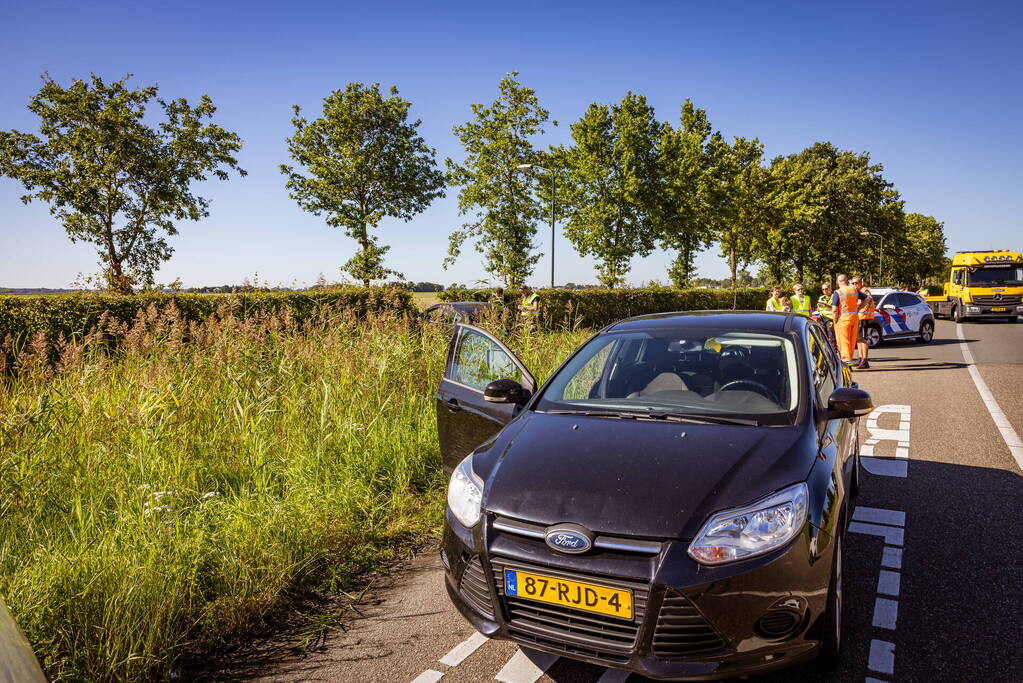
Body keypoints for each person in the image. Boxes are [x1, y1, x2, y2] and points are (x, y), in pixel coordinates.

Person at [831, 274, 867, 366]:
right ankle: (849, 359)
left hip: (843, 319)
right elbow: (867, 298)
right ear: (847, 281)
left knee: (844, 341)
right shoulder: (854, 290)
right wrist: (859, 309)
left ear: (838, 282)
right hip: (854, 318)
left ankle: (846, 363)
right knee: (851, 341)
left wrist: (835, 321)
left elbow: (834, 309)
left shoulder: (838, 292)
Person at [852, 275, 874, 369]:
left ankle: (865, 360)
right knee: (858, 339)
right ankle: (860, 358)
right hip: (858, 317)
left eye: (856, 283)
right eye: (853, 283)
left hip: (863, 317)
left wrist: (856, 307)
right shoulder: (857, 291)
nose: (854, 284)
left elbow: (865, 302)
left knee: (862, 339)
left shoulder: (864, 290)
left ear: (861, 283)